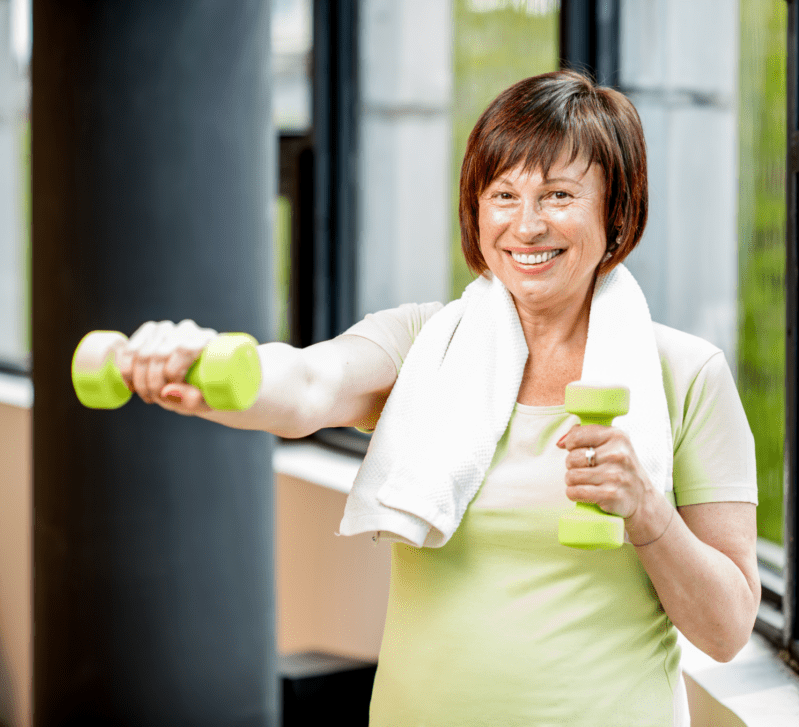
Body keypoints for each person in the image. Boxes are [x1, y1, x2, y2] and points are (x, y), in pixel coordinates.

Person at [117, 70, 760, 726]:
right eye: (503, 194)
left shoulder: (686, 376)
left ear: (616, 210)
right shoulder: (427, 345)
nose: (527, 225)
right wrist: (201, 362)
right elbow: (308, 382)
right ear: (476, 210)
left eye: (558, 194)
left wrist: (647, 512)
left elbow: (728, 626)